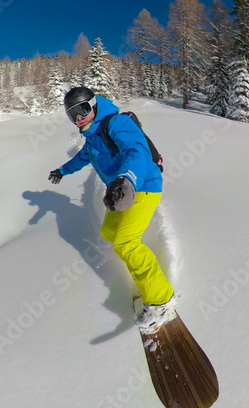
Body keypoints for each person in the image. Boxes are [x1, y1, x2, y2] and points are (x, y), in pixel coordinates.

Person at [48, 87, 175, 333]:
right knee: (109, 233)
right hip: (120, 190)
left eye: (82, 109)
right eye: (71, 114)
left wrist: (126, 178)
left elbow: (137, 150)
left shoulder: (116, 123)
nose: (79, 118)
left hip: (143, 186)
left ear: (94, 105)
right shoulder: (93, 138)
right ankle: (143, 280)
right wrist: (62, 171)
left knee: (126, 242)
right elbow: (82, 158)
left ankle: (162, 301)